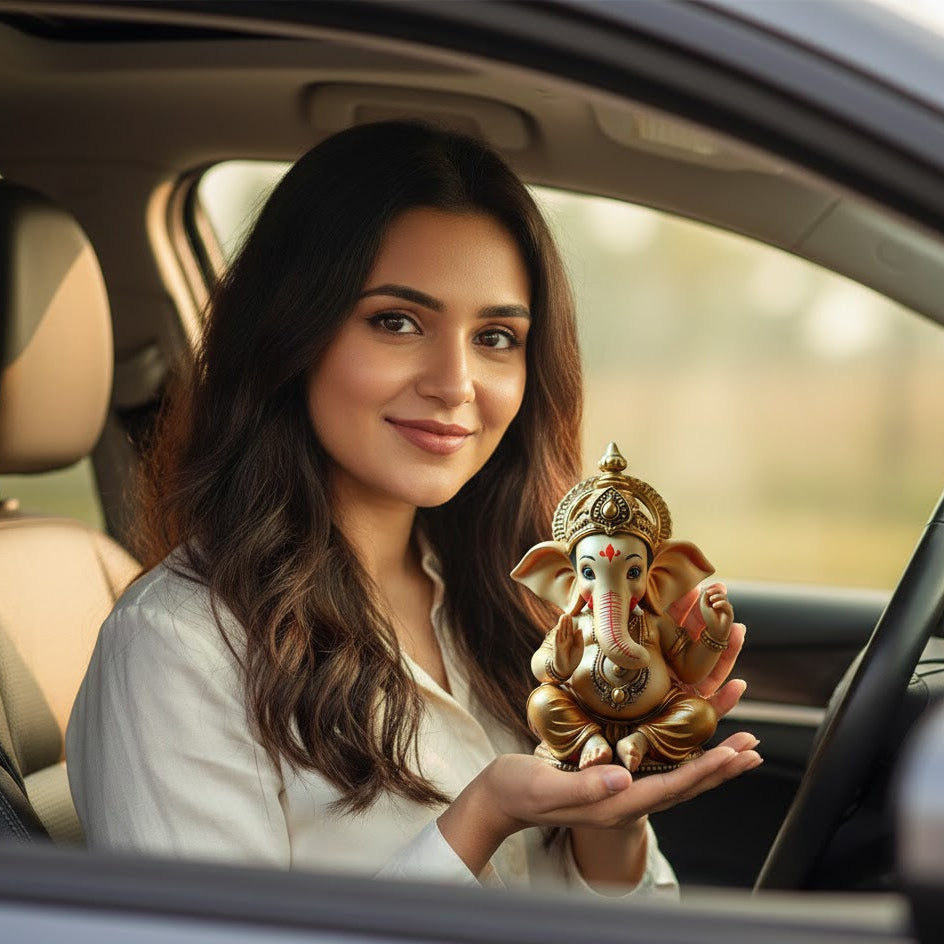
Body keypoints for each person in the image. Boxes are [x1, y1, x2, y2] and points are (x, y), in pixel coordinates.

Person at [66, 120, 760, 896]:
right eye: (396, 322)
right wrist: (479, 820)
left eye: (496, 336)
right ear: (290, 334)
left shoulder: (514, 604)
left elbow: (641, 915)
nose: (456, 382)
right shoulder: (177, 648)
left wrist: (618, 808)